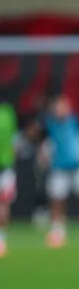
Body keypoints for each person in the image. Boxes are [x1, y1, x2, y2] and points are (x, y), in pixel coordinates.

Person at [44, 96, 79, 248]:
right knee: (56, 200)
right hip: (58, 167)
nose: (60, 110)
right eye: (58, 107)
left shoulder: (74, 121)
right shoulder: (51, 124)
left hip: (76, 166)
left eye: (63, 107)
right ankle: (57, 231)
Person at [0, 99, 16, 257]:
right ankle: (2, 240)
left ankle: (1, 239)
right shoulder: (8, 112)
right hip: (6, 165)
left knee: (3, 203)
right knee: (3, 204)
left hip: (5, 166)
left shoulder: (7, 113)